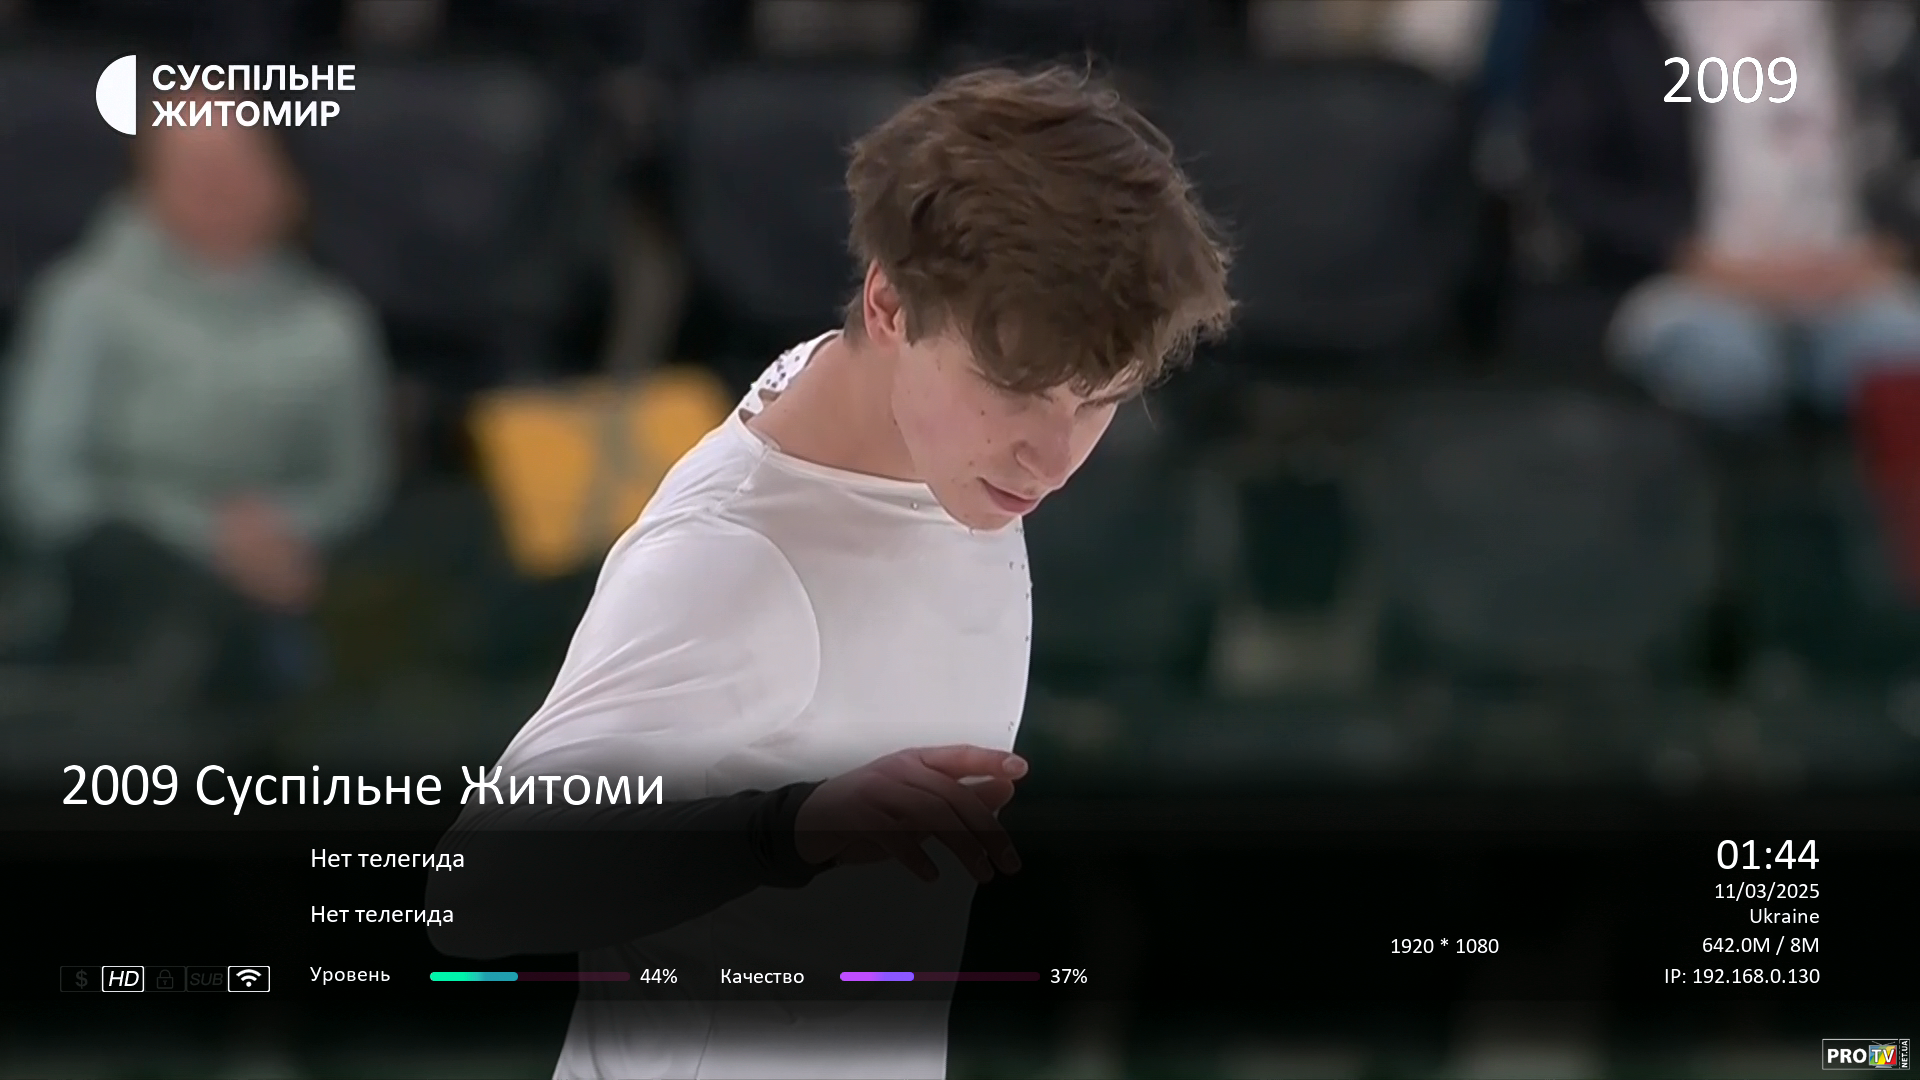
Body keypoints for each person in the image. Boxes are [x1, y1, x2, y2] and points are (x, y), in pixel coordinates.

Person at [428, 65, 1233, 1079]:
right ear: (891, 304)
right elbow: (477, 896)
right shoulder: (736, 570)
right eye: (1018, 387)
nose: (1055, 458)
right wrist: (791, 831)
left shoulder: (944, 443)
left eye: (1100, 399)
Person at [2, 95, 391, 699]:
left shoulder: (334, 324)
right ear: (145, 187)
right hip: (113, 594)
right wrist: (207, 539)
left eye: (235, 167)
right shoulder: (84, 303)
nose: (216, 189)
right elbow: (41, 483)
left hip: (288, 581)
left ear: (284, 185)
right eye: (191, 170)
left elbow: (355, 481)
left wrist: (280, 530)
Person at [1530, 0, 1920, 429]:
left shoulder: (1871, 22)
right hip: (1689, 284)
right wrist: (1691, 256)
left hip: (1851, 279)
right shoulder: (1608, 26)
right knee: (1731, 371)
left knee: (1901, 350)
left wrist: (1886, 250)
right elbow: (1573, 187)